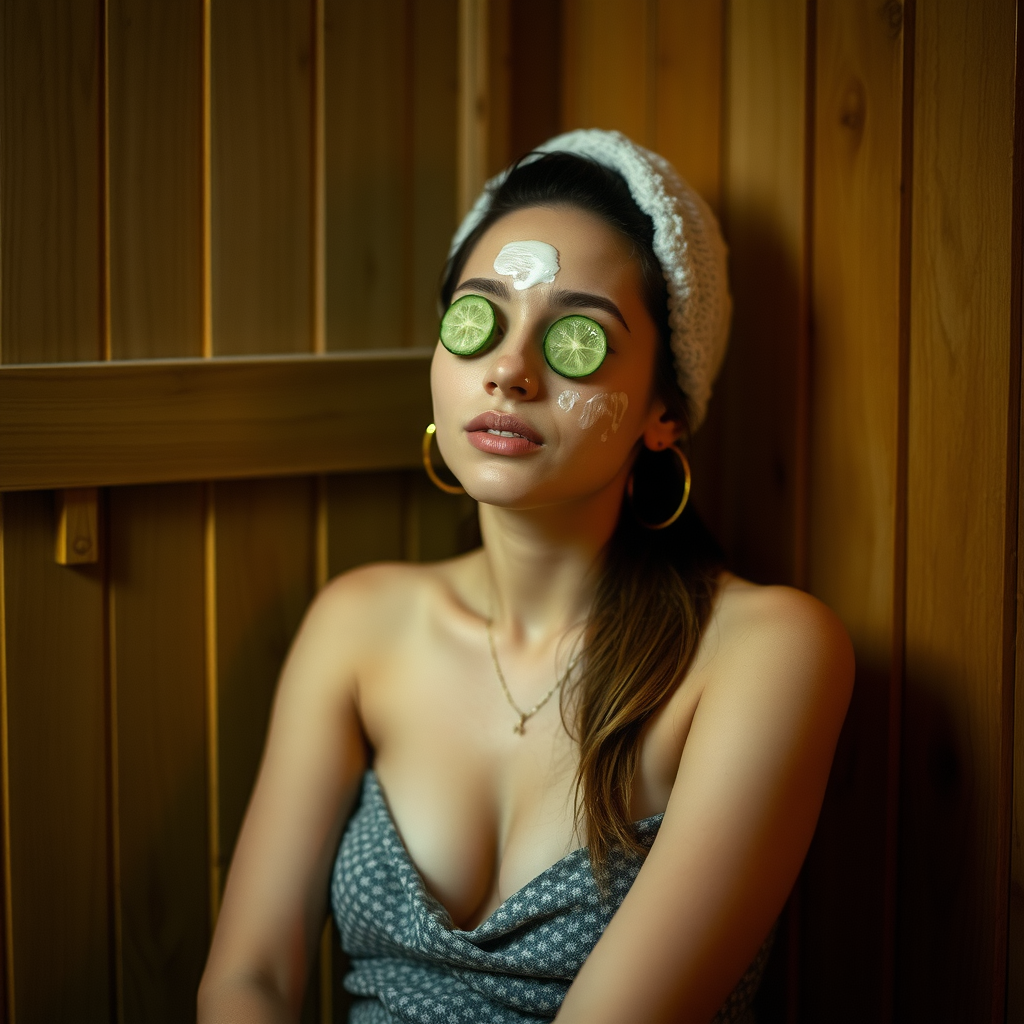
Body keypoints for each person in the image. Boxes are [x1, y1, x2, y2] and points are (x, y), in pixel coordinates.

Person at [197, 129, 854, 1024]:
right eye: (479, 319)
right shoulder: (358, 623)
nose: (508, 370)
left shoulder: (765, 653)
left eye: (576, 335)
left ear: (665, 410)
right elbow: (250, 982)